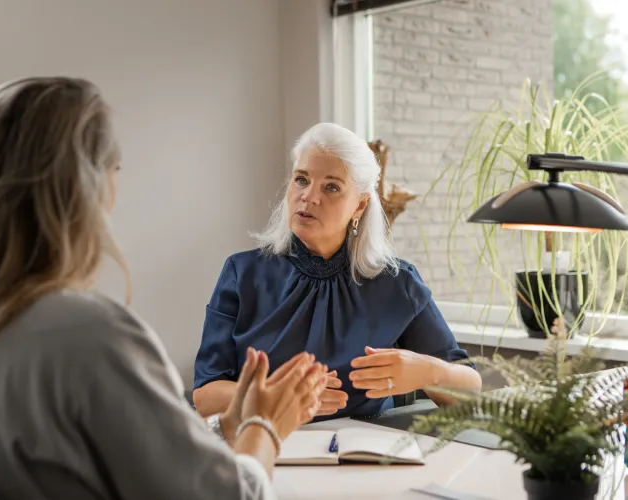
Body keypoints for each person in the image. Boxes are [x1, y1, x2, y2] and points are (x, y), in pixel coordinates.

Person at [0, 77, 327, 500]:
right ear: (85, 187)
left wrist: (225, 426)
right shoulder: (88, 336)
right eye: (115, 170)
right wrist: (265, 428)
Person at [193, 123, 482, 421]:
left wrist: (428, 372)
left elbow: (471, 390)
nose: (309, 196)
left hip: (365, 458)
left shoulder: (397, 283)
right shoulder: (242, 274)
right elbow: (205, 396)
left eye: (331, 187)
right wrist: (277, 397)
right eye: (301, 180)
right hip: (267, 451)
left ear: (360, 205)